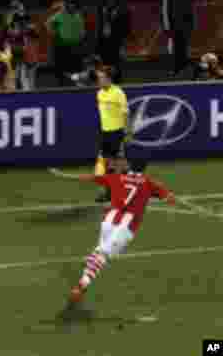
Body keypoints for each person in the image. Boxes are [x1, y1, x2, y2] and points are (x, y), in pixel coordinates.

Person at [58, 157, 176, 305]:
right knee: (103, 255)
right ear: (145, 168)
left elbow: (93, 178)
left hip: (109, 220)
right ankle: (81, 286)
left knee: (99, 252)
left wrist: (70, 176)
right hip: (125, 227)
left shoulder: (117, 177)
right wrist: (169, 196)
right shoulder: (149, 182)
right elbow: (169, 198)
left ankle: (88, 271)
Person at [94, 66, 130, 202]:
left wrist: (127, 131)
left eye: (101, 78)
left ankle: (128, 189)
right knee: (109, 164)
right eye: (98, 78)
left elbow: (125, 113)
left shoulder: (118, 92)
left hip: (117, 133)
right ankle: (110, 192)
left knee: (116, 165)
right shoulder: (99, 93)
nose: (99, 80)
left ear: (108, 78)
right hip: (105, 133)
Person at [0, 0, 39, 91]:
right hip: (14, 56)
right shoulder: (9, 27)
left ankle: (28, 92)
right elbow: (4, 41)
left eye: (24, 19)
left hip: (27, 57)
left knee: (27, 79)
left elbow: (35, 37)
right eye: (19, 19)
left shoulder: (30, 28)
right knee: (13, 76)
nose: (22, 21)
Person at [47, 0, 86, 88]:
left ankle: (76, 85)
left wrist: (82, 36)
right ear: (67, 5)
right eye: (70, 3)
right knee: (62, 69)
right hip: (63, 46)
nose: (72, 5)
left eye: (73, 4)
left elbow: (82, 29)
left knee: (76, 68)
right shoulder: (60, 15)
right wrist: (54, 33)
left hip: (76, 45)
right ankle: (62, 87)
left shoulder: (78, 15)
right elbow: (48, 23)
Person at [161, 0, 197, 77]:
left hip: (186, 23)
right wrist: (166, 24)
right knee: (175, 47)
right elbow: (165, 7)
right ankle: (175, 67)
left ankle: (184, 66)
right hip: (174, 24)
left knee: (185, 46)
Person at [96, 0, 131, 83]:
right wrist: (98, 43)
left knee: (116, 64)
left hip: (116, 40)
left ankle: (117, 82)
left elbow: (126, 27)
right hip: (104, 41)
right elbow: (99, 26)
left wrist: (123, 43)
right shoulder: (102, 8)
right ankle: (106, 81)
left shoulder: (122, 10)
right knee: (105, 64)